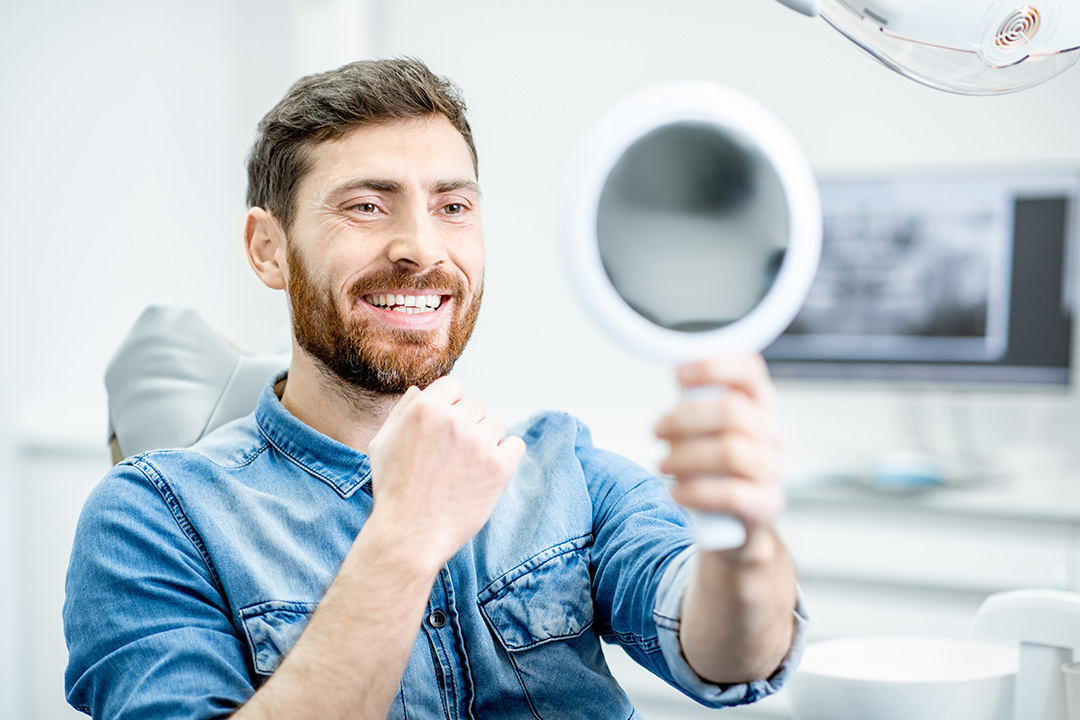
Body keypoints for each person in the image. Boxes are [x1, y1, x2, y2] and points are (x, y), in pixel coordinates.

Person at [64, 57, 807, 720]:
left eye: (453, 206)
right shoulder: (151, 517)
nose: (422, 248)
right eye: (365, 204)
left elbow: (730, 657)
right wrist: (404, 538)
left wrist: (740, 542)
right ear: (268, 248)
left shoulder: (562, 467)